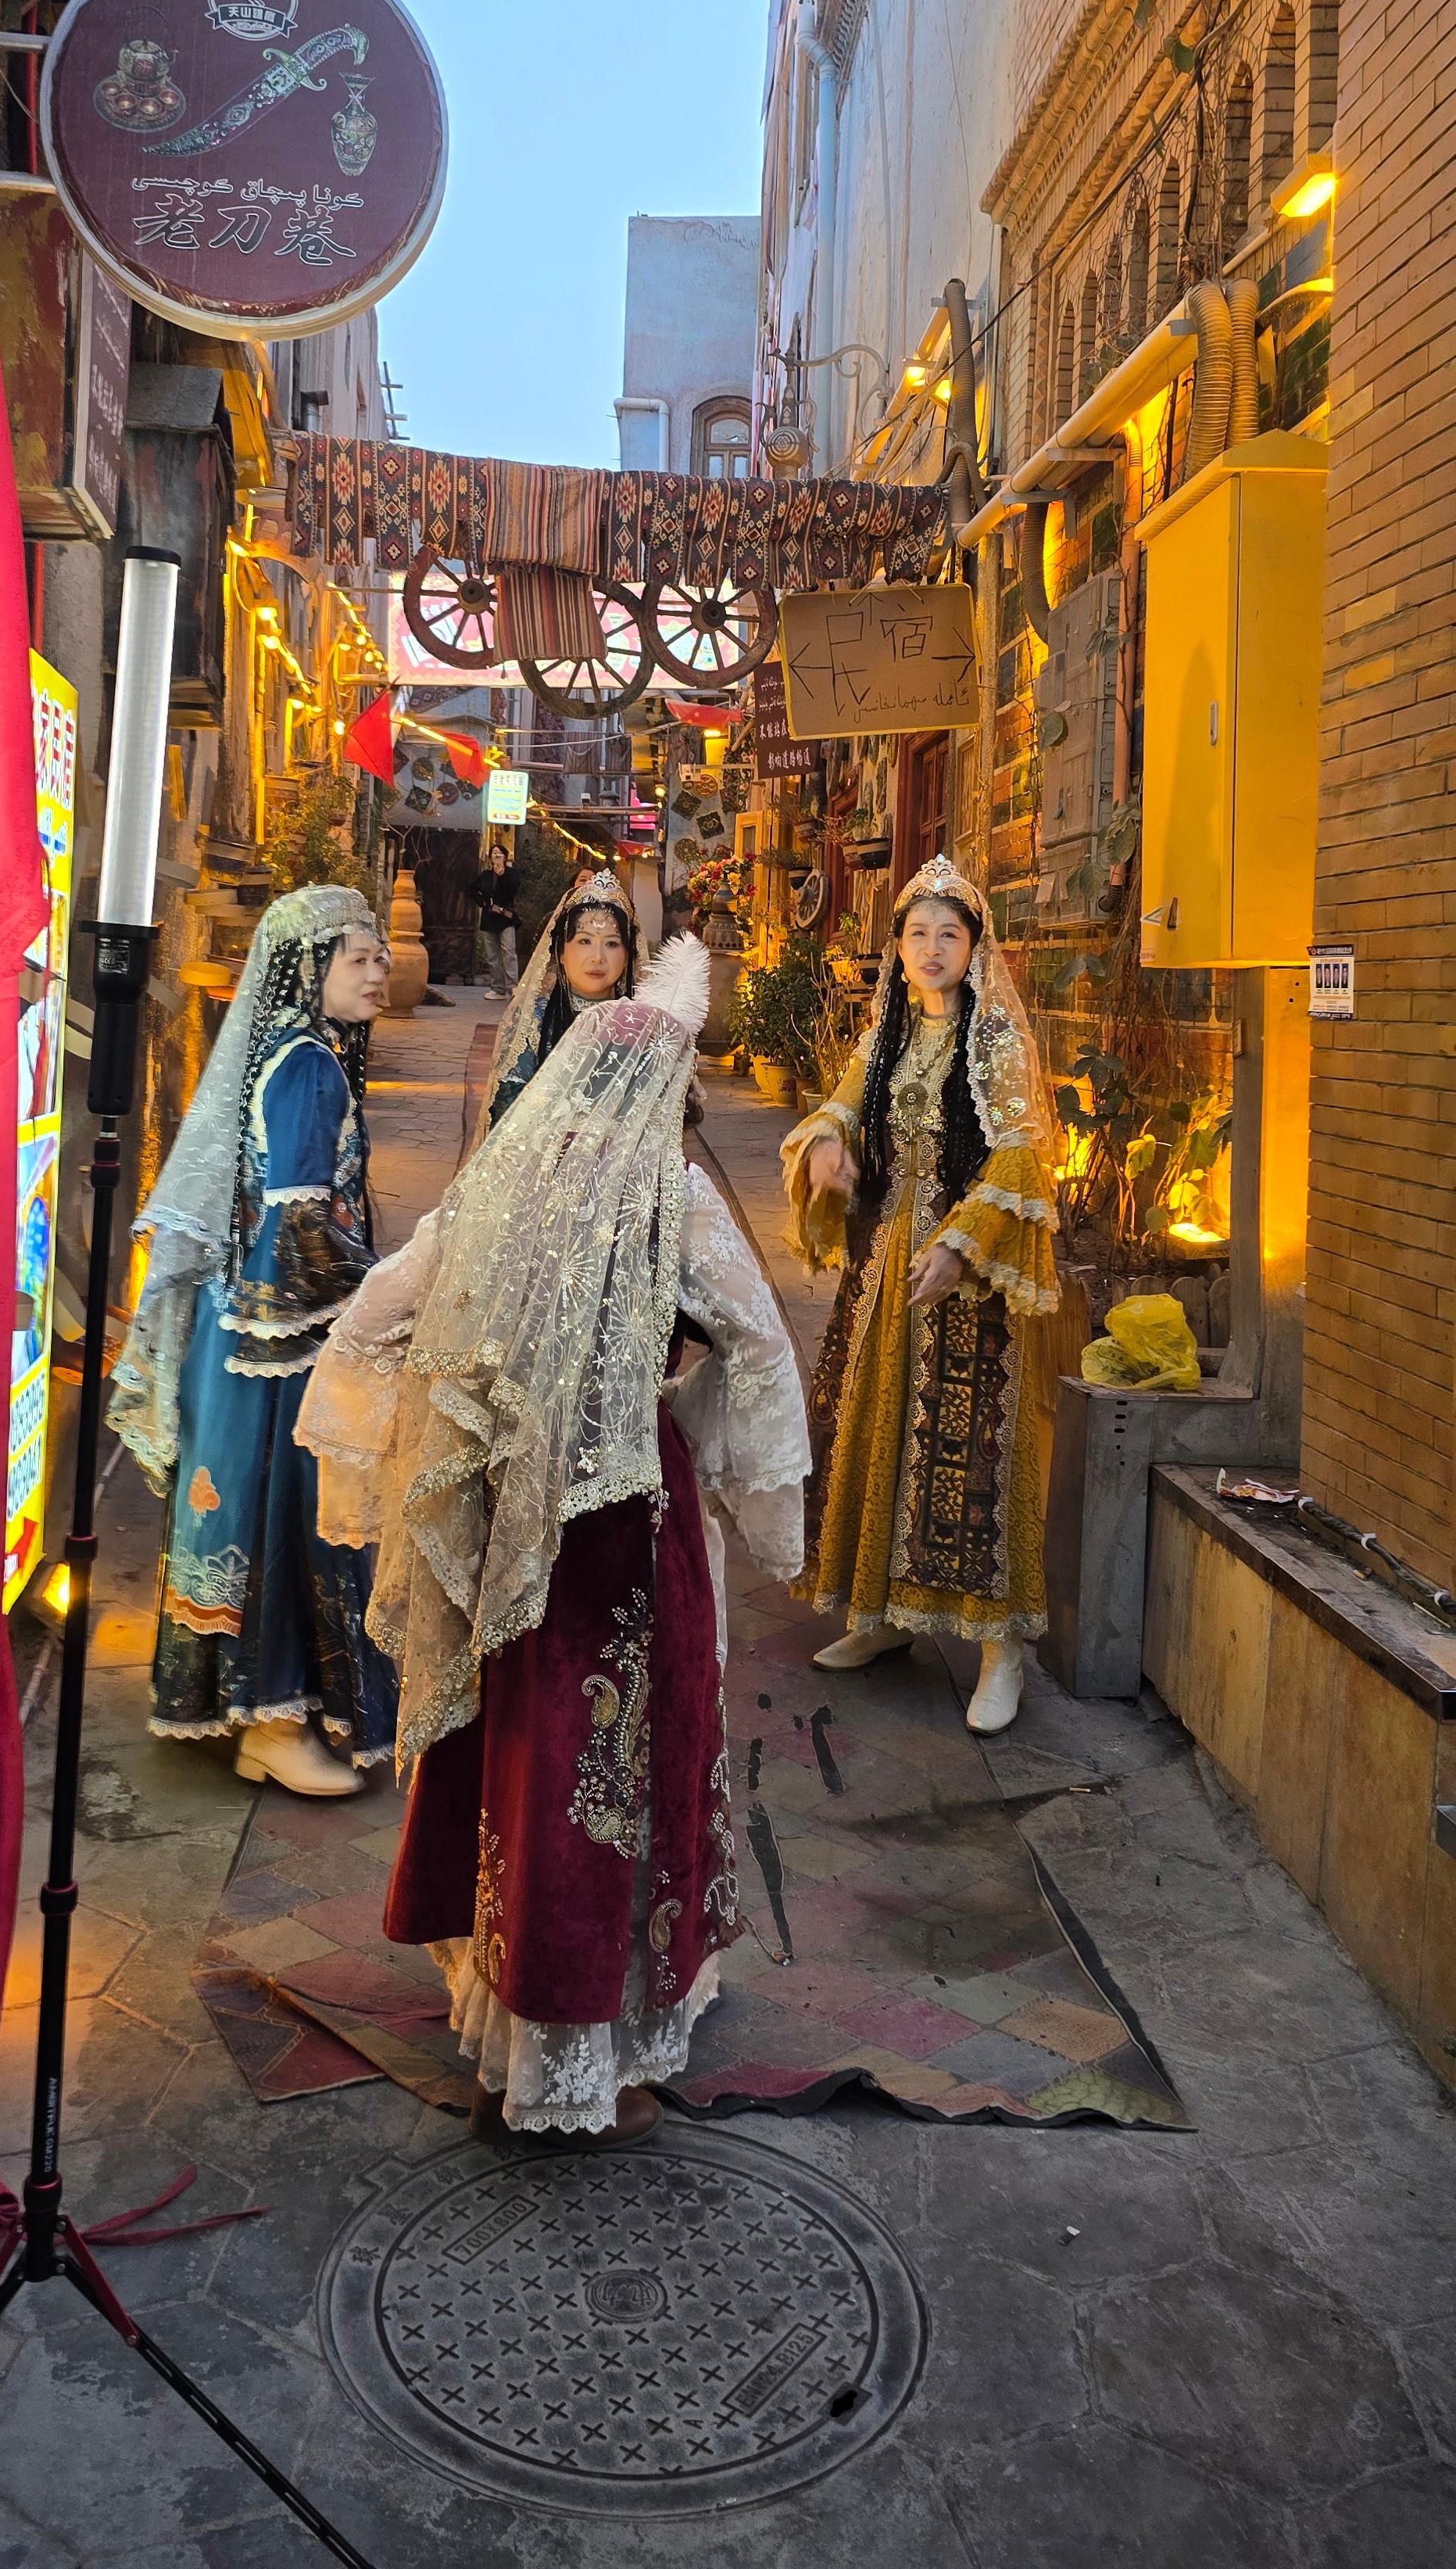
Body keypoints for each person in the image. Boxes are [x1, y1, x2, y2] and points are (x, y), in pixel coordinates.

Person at [297, 935, 809, 2138]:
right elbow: (760, 1346)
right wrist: (698, 1432)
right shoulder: (672, 1194)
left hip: (511, 1522)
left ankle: (514, 2003)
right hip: (629, 1522)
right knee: (624, 1756)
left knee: (528, 1746)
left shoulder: (503, 1182)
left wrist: (438, 1434)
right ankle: (592, 2041)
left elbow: (370, 1321)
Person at [109, 885, 399, 1795]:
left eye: (381, 958)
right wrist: (389, 1295)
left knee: (243, 1513)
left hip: (241, 1327)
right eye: (359, 959)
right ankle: (274, 1719)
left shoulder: (280, 1049)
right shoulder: (309, 1066)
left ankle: (254, 1717)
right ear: (310, 969)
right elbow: (297, 1220)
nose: (379, 974)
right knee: (290, 1518)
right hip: (276, 1342)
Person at [780, 855, 1061, 1736]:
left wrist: (963, 1245)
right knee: (871, 1431)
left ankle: (999, 1649)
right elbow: (839, 1106)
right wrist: (827, 1144)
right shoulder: (887, 1040)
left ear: (974, 948)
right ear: (897, 948)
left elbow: (1022, 1153)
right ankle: (881, 1614)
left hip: (962, 1277)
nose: (931, 947)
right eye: (916, 933)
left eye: (949, 933)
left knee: (968, 1455)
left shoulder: (996, 1044)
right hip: (882, 1271)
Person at [478, 862, 640, 1132]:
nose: (597, 957)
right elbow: (507, 1119)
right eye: (585, 941)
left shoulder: (642, 1023)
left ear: (628, 955)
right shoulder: (535, 1020)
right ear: (561, 953)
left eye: (612, 943)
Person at [474, 844, 520, 997]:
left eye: (500, 853)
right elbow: (470, 888)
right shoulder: (486, 875)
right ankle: (497, 988)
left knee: (509, 952)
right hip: (489, 918)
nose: (497, 855)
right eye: (494, 853)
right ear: (491, 858)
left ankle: (512, 986)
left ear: (505, 857)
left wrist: (502, 876)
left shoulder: (512, 873)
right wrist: (482, 902)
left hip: (506, 917)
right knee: (492, 956)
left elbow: (513, 891)